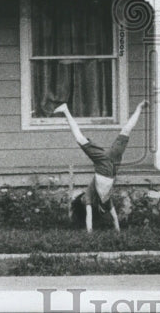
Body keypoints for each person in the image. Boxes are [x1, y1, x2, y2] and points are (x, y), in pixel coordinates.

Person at [55, 99, 146, 232]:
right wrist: (118, 230)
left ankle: (66, 111)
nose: (84, 202)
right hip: (111, 164)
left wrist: (90, 233)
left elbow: (89, 216)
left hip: (106, 165)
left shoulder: (88, 196)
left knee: (83, 138)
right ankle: (139, 107)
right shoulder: (104, 200)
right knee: (125, 131)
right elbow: (114, 216)